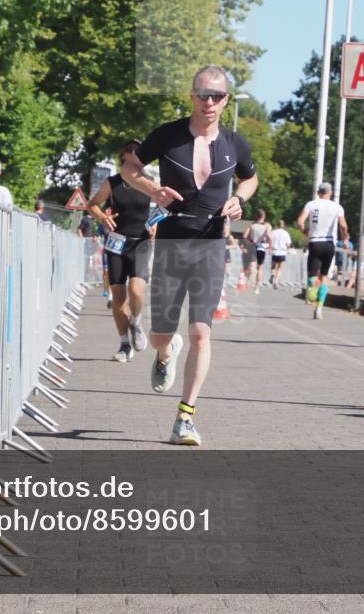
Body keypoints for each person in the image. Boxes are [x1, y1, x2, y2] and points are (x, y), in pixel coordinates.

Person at [121, 65, 258, 446]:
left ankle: (185, 417)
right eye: (203, 94)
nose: (209, 102)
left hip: (212, 244)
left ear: (226, 100)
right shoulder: (168, 135)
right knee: (161, 333)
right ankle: (165, 354)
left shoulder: (235, 143)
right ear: (192, 95)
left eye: (217, 96)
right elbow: (130, 167)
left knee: (200, 332)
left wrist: (238, 199)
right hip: (171, 242)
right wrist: (152, 188)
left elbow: (250, 178)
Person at [87, 142, 152, 362]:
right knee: (118, 298)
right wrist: (102, 217)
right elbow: (93, 204)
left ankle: (136, 322)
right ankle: (124, 345)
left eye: (140, 149)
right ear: (124, 155)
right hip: (116, 243)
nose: (137, 152)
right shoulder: (113, 183)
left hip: (140, 242)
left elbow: (166, 206)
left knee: (136, 290)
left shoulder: (149, 182)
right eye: (132, 149)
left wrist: (157, 224)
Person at [296, 182, 348, 320]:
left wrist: (305, 231)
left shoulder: (311, 205)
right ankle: (319, 308)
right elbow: (343, 226)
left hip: (314, 242)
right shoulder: (337, 207)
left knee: (312, 276)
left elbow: (300, 221)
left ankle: (310, 295)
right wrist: (345, 240)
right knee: (324, 276)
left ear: (318, 192)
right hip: (329, 243)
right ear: (330, 193)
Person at [243, 210, 273, 294]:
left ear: (256, 216)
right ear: (264, 216)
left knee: (252, 265)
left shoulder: (252, 225)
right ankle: (257, 287)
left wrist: (249, 242)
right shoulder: (267, 226)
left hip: (253, 246)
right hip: (261, 247)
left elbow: (245, 236)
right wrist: (270, 247)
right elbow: (269, 237)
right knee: (260, 268)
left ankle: (250, 277)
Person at [269, 219, 292, 289]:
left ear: (277, 225)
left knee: (273, 266)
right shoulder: (286, 233)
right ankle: (276, 281)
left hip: (275, 251)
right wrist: (287, 248)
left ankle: (272, 274)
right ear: (283, 225)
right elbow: (288, 244)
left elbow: (269, 241)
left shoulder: (273, 232)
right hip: (282, 251)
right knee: (279, 268)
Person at [223, 221, 240, 286]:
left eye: (227, 229)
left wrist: (227, 247)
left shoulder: (230, 237)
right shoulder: (219, 235)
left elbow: (235, 246)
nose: (225, 230)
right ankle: (222, 282)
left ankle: (226, 281)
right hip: (219, 254)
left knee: (226, 270)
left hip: (226, 254)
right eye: (224, 229)